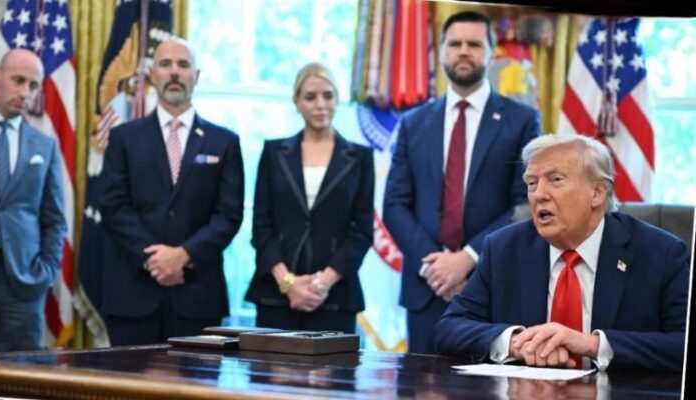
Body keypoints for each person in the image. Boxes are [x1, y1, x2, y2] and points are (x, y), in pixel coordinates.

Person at [434, 134, 689, 372]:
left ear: (597, 193)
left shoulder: (660, 253)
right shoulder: (503, 248)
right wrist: (516, 343)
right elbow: (449, 327)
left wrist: (592, 345)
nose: (539, 195)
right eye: (532, 183)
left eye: (555, 180)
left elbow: (681, 342)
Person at [383, 11, 541, 353]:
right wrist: (436, 266)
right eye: (455, 44)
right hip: (426, 287)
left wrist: (468, 258)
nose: (464, 51)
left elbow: (525, 206)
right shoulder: (413, 123)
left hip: (491, 286)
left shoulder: (522, 121)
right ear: (441, 51)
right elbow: (394, 204)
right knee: (419, 381)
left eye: (474, 44)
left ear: (491, 52)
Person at [99, 38, 244, 345]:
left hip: (197, 297)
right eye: (165, 64)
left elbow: (229, 215)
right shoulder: (124, 137)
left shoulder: (224, 142)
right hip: (133, 294)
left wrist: (184, 255)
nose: (175, 72)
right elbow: (113, 206)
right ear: (152, 74)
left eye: (183, 65)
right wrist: (155, 259)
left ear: (196, 75)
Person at [246, 63, 374, 333]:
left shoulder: (360, 158)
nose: (320, 105)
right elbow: (261, 226)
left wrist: (322, 283)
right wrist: (288, 283)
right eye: (310, 97)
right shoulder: (274, 153)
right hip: (275, 295)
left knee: (334, 363)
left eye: (328, 96)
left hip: (336, 296)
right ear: (296, 101)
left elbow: (362, 231)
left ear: (337, 99)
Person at [0, 49, 67, 350]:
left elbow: (54, 219)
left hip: (23, 282)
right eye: (18, 80)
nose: (25, 92)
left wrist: (46, 272)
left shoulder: (45, 146)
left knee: (21, 370)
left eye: (34, 85)